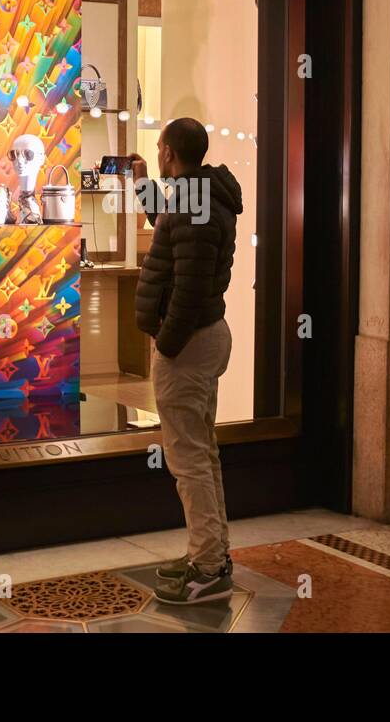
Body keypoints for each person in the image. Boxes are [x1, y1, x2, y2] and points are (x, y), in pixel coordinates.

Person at [128, 118, 243, 604]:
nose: (156, 154)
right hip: (203, 340)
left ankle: (210, 567)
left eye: (158, 148)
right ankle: (209, 551)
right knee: (202, 452)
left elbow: (191, 285)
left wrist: (167, 342)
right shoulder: (199, 196)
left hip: (190, 344)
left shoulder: (196, 205)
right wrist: (142, 189)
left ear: (170, 153)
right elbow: (177, 239)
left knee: (189, 458)